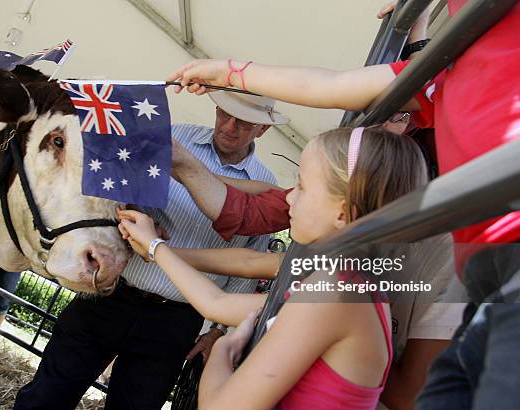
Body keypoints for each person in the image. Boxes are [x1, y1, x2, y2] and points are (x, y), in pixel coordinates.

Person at [166, 1, 520, 407]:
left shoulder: (342, 285)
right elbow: (325, 87)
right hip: (487, 263)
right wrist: (230, 73)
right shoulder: (445, 78)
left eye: (393, 118)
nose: (382, 123)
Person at [119, 126, 435, 409]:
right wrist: (155, 246)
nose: (289, 199)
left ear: (343, 212)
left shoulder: (335, 295)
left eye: (302, 186)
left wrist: (224, 351)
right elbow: (218, 303)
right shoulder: (345, 285)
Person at [14, 92, 285, 410]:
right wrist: (130, 217)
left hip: (175, 320)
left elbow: (249, 262)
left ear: (262, 130)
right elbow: (110, 189)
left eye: (243, 122)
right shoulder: (174, 137)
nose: (229, 126)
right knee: (47, 395)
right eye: (224, 114)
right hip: (112, 293)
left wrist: (219, 330)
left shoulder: (267, 185)